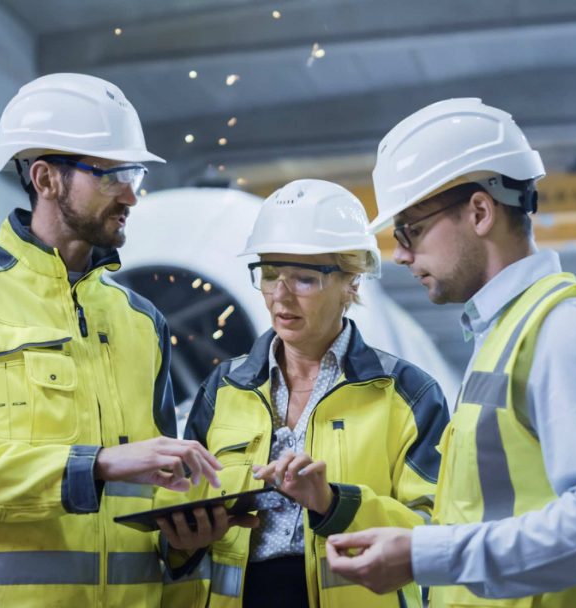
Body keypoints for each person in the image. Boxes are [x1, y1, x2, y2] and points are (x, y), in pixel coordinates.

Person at [0, 73, 227, 607]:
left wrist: (187, 542)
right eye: (112, 174)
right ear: (46, 179)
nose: (132, 195)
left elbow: (160, 491)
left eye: (133, 173)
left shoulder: (143, 322)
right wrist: (92, 465)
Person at [325, 98, 576, 607]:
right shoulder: (504, 336)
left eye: (411, 230)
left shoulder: (566, 328)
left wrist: (427, 556)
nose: (399, 254)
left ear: (480, 212)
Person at [160, 179, 449, 608]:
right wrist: (184, 541)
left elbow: (435, 534)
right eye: (270, 274)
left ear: (352, 282)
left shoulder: (407, 394)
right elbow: (180, 519)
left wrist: (334, 502)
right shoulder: (223, 389)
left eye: (304, 279)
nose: (280, 295)